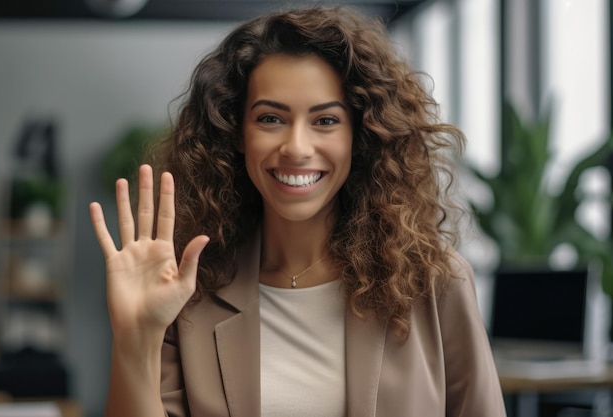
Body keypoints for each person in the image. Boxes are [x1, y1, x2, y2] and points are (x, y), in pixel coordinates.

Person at [89, 5, 506, 417]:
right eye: (270, 118)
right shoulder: (189, 290)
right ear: (237, 134)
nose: (296, 148)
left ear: (359, 136)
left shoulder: (436, 283)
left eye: (325, 121)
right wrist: (135, 339)